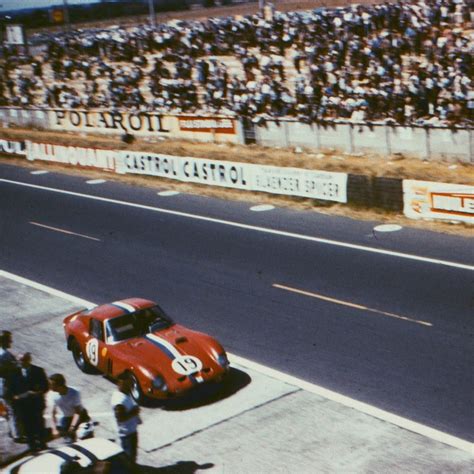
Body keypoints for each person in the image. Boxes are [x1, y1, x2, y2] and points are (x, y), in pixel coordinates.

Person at [10, 352, 49, 451]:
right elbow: (12, 391)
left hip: (36, 404)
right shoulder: (14, 373)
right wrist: (20, 396)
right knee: (27, 427)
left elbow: (46, 386)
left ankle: (43, 444)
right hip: (23, 406)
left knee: (39, 425)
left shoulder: (38, 371)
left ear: (29, 360)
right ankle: (32, 447)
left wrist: (38, 393)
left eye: (23, 360)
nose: (21, 362)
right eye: (19, 360)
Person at [48, 373, 89, 443]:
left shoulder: (74, 393)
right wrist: (54, 429)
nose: (49, 386)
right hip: (67, 417)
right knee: (69, 439)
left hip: (81, 416)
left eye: (52, 385)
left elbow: (77, 412)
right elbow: (52, 413)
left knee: (84, 436)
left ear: (59, 385)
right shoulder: (52, 394)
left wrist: (72, 426)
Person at [111, 373, 141, 464]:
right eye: (128, 384)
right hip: (127, 434)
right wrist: (134, 412)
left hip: (130, 431)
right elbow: (120, 418)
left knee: (131, 456)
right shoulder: (119, 400)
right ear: (120, 383)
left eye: (131, 383)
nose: (130, 386)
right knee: (129, 458)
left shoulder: (125, 393)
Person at [0, 330, 22, 442]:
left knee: (7, 411)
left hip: (2, 387)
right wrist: (16, 364)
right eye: (9, 339)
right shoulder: (4, 354)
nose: (11, 341)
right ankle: (17, 435)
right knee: (13, 411)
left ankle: (11, 431)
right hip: (7, 387)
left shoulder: (4, 353)